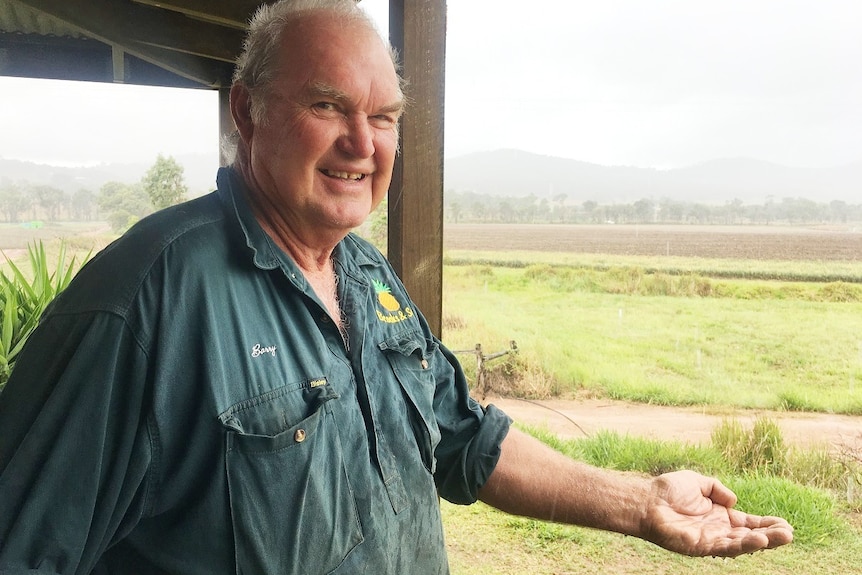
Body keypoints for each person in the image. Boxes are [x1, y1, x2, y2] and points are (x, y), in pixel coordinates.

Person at [0, 1, 793, 573]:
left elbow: (463, 436)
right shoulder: (145, 302)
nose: (362, 142)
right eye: (327, 106)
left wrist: (639, 501)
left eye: (385, 116)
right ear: (248, 111)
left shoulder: (366, 274)